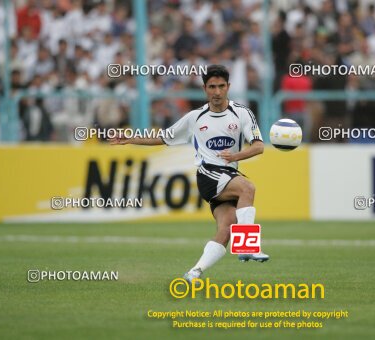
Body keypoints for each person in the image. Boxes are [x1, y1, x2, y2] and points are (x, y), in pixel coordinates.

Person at [109, 65, 269, 285]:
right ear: (204, 89)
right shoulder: (195, 118)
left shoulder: (242, 113)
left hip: (230, 173)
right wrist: (130, 138)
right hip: (208, 174)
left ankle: (194, 272)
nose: (217, 92)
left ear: (228, 87)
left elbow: (259, 147)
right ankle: (248, 247)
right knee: (247, 188)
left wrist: (236, 156)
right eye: (212, 87)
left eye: (221, 86)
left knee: (227, 228)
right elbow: (164, 137)